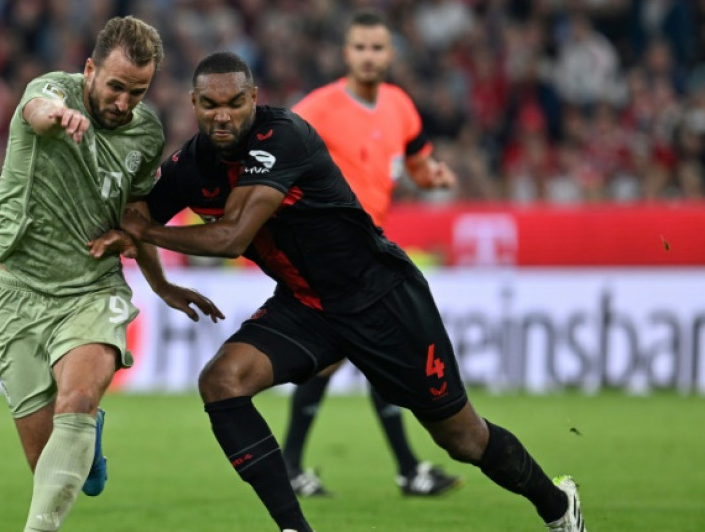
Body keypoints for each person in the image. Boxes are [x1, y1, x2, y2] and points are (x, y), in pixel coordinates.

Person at [118, 51, 586, 532]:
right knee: (222, 381)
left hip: (382, 297)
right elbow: (137, 221)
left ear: (254, 98)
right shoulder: (190, 165)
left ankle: (556, 505)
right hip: (308, 306)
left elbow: (229, 236)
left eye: (235, 102)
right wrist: (162, 283)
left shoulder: (283, 137)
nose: (223, 115)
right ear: (192, 103)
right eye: (210, 104)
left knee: (463, 439)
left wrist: (146, 232)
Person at [0, 16, 223, 532]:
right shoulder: (51, 90)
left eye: (137, 91)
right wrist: (60, 116)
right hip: (17, 291)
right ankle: (86, 440)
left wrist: (161, 285)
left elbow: (136, 219)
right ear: (89, 70)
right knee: (45, 458)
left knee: (80, 399)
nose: (123, 102)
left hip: (92, 287)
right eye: (115, 86)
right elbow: (38, 111)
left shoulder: (146, 131)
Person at [281, 10, 459, 498]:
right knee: (382, 351)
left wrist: (435, 177)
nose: (368, 56)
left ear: (390, 54)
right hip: (331, 250)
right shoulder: (319, 107)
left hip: (371, 247)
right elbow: (273, 148)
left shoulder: (400, 106)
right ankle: (406, 471)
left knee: (352, 357)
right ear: (346, 54)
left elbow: (418, 165)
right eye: (359, 47)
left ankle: (296, 465)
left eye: (377, 48)